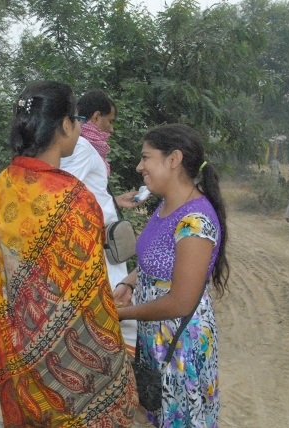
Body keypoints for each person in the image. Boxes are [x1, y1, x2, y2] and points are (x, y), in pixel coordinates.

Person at [0, 81, 138, 427]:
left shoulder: (5, 181)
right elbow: (90, 291)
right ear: (66, 126)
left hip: (21, 332)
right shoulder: (74, 197)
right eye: (76, 120)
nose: (80, 128)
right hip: (67, 340)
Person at [114, 124, 228, 427]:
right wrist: (128, 282)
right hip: (158, 341)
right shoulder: (166, 205)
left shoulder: (195, 222)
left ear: (174, 159)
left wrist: (121, 314)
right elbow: (156, 261)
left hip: (182, 350)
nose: (139, 167)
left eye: (145, 157)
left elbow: (180, 302)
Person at [60, 89, 142, 356]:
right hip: (97, 246)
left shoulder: (82, 147)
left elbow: (84, 193)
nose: (112, 129)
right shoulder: (82, 147)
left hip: (101, 245)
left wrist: (113, 201)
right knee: (118, 308)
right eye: (110, 121)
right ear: (96, 117)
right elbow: (63, 193)